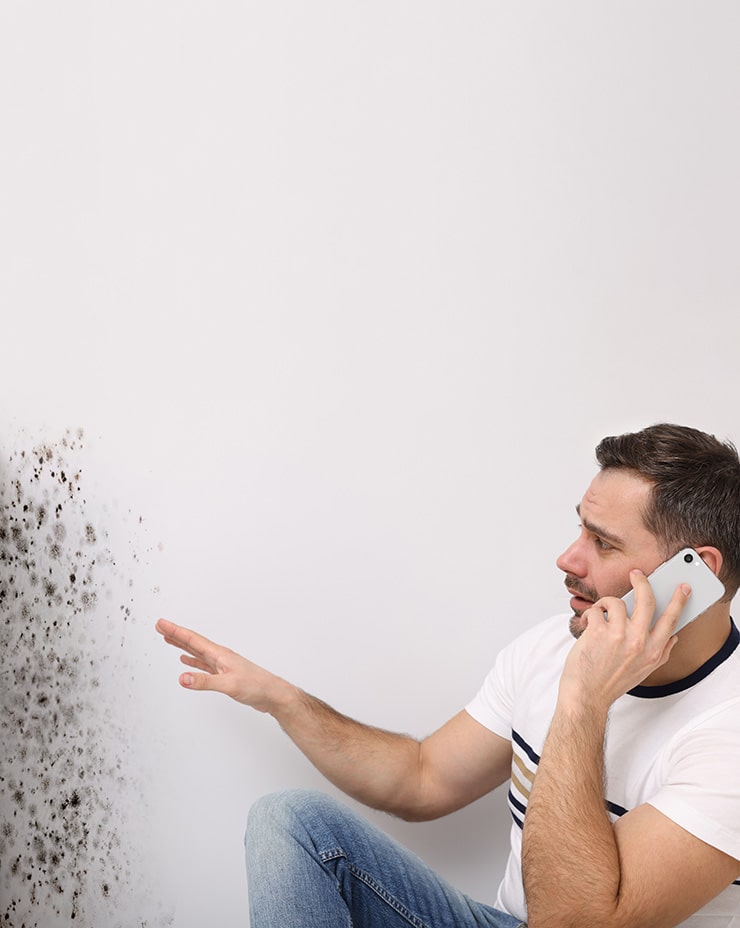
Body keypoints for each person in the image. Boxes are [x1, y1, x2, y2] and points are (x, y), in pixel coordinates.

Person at [156, 423, 740, 928]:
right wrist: (280, 698)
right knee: (291, 823)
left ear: (694, 576)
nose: (568, 559)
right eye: (580, 529)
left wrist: (583, 702)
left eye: (603, 543)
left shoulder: (726, 733)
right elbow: (422, 779)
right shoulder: (550, 646)